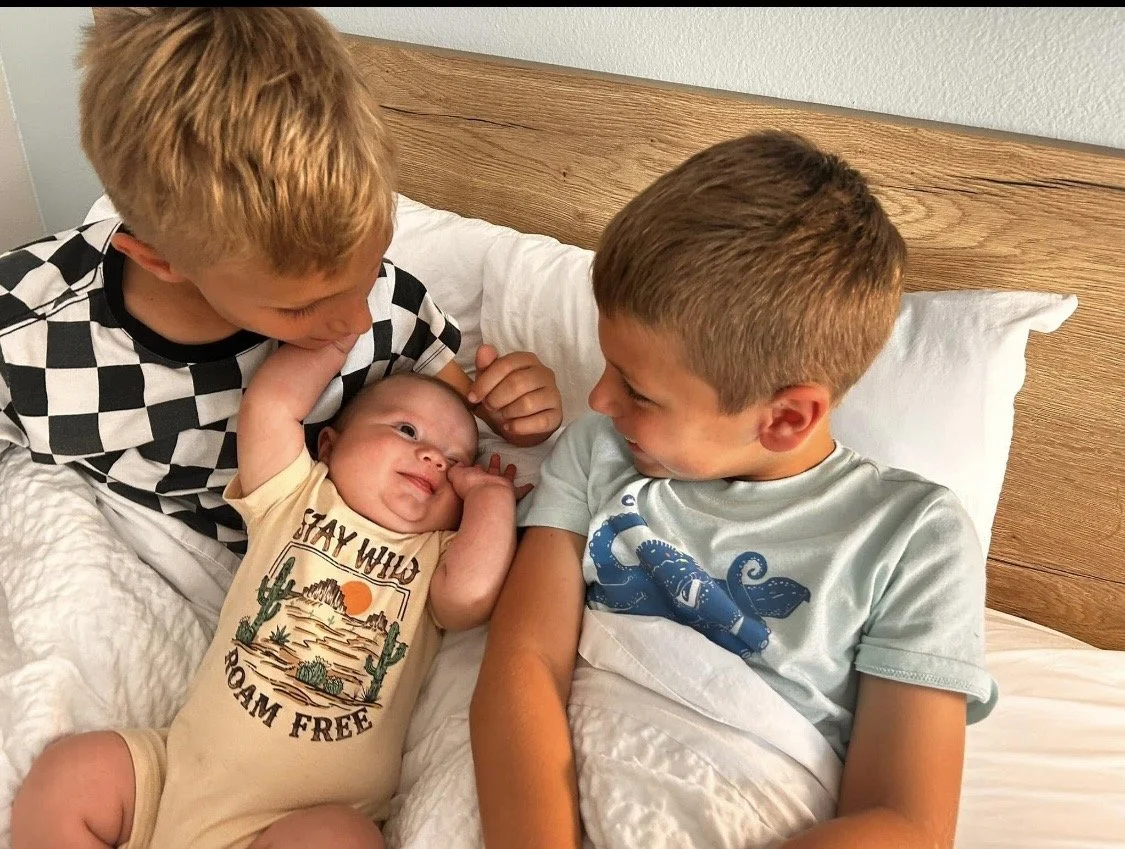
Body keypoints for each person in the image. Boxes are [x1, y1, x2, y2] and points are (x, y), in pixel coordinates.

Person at [469, 130, 999, 849]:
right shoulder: (601, 453)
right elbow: (522, 659)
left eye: (636, 389)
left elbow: (903, 824)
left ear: (783, 417)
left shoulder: (911, 538)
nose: (596, 398)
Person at [0, 7, 561, 633]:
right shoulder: (29, 337)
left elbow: (468, 419)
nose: (355, 317)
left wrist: (518, 411)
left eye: (370, 266)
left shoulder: (385, 304)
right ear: (161, 261)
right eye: (300, 307)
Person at [13, 331, 520, 848]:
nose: (434, 458)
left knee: (342, 837)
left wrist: (491, 501)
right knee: (72, 774)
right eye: (408, 430)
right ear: (330, 444)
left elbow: (473, 594)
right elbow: (272, 406)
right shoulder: (295, 496)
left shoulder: (433, 555)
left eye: (457, 463)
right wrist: (332, 340)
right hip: (173, 783)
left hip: (298, 821)